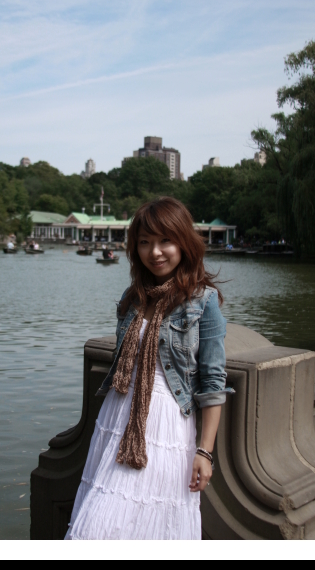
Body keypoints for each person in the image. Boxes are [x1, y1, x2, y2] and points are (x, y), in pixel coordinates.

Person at [65, 196, 234, 540]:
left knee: (150, 525)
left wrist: (205, 452)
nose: (154, 251)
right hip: (117, 417)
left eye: (165, 241)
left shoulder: (203, 302)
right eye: (144, 242)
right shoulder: (134, 297)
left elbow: (212, 382)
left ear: (184, 242)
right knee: (99, 526)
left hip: (167, 424)